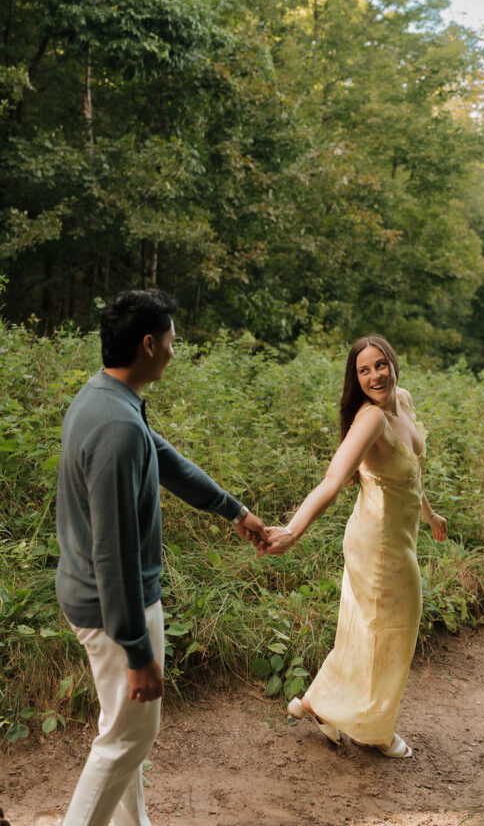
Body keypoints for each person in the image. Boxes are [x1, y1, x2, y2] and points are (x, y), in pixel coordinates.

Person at [56, 289, 267, 826]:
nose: (176, 350)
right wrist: (135, 648)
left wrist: (233, 510)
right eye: (172, 341)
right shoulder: (116, 427)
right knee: (128, 738)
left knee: (123, 730)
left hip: (94, 597)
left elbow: (164, 457)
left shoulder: (105, 398)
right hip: (112, 609)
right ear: (149, 344)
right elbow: (115, 549)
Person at [260, 334, 447, 758]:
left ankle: (315, 704)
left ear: (392, 362)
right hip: (376, 543)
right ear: (356, 378)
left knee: (368, 631)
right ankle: (375, 728)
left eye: (380, 364)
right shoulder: (371, 421)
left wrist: (430, 514)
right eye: (364, 370)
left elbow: (410, 473)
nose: (375, 375)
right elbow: (332, 479)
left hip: (399, 539)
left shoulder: (403, 400)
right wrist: (292, 530)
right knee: (392, 633)